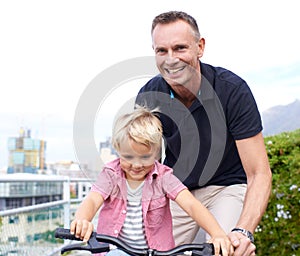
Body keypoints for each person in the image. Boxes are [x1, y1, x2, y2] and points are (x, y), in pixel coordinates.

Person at [135, 11, 272, 256]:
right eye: (161, 51)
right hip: (178, 190)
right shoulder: (149, 95)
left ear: (200, 47)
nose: (171, 60)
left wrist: (244, 231)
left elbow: (259, 173)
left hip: (226, 187)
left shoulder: (233, 91)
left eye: (180, 48)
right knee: (148, 251)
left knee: (227, 251)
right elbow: (148, 167)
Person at [70, 106, 233, 256]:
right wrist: (82, 220)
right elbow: (92, 199)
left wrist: (217, 233)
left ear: (156, 154)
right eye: (128, 157)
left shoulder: (164, 177)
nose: (136, 165)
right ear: (117, 150)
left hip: (156, 251)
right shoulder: (111, 174)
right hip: (115, 250)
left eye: (145, 157)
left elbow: (191, 204)